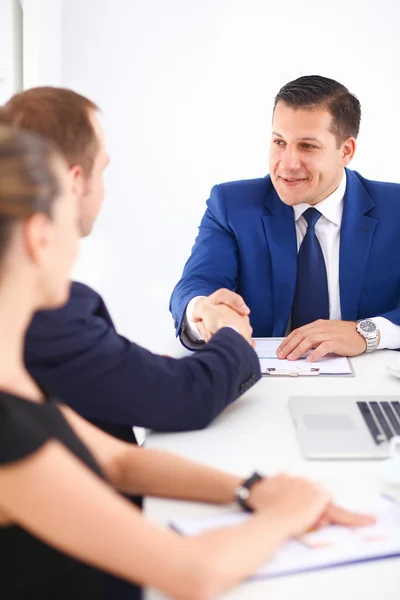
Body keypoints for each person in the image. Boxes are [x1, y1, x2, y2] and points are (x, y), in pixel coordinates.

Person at [0, 125, 373, 600]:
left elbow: (116, 460)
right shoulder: (7, 428)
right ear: (38, 237)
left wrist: (252, 490)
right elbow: (192, 573)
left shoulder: (12, 377)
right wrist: (290, 510)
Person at [0, 87, 258, 450]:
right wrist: (232, 334)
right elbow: (184, 397)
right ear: (74, 181)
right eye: (102, 170)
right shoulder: (48, 313)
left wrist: (141, 371)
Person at [170, 75, 400, 362]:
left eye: (307, 146)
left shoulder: (395, 208)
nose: (288, 163)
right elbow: (196, 283)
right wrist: (203, 309)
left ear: (346, 151)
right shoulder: (232, 206)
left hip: (368, 380)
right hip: (262, 381)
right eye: (279, 142)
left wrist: (366, 332)